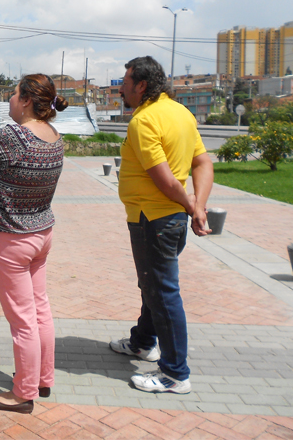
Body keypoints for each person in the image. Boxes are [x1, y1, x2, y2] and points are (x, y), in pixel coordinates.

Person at [0, 74, 67, 414]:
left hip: (11, 239)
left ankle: (23, 393)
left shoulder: (12, 136)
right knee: (40, 310)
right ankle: (43, 379)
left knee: (22, 320)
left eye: (13, 94)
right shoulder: (54, 136)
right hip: (41, 233)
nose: (8, 100)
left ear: (25, 101)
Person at [110, 56, 213, 394]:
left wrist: (193, 206)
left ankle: (174, 373)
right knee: (152, 285)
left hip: (152, 219)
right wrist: (198, 205)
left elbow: (165, 180)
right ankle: (142, 342)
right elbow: (202, 163)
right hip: (169, 220)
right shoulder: (181, 113)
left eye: (125, 81)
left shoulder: (145, 120)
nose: (121, 86)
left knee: (163, 293)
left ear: (141, 85)